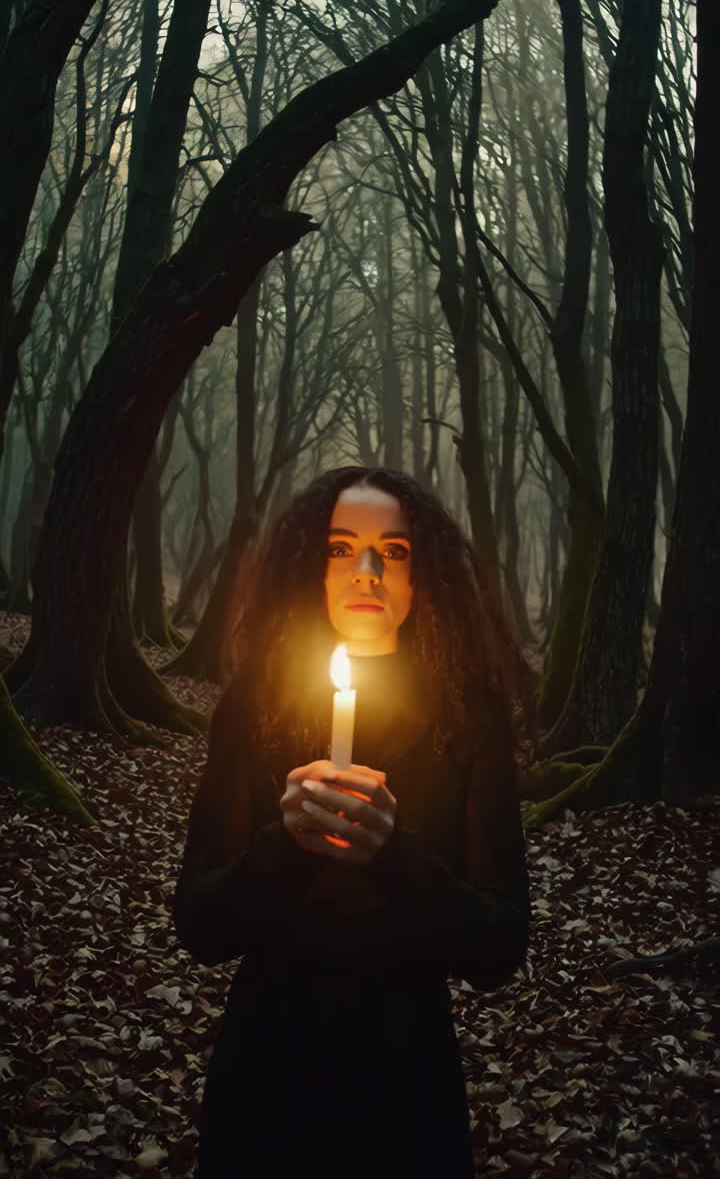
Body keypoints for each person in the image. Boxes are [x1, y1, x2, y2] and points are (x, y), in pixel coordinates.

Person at [172, 466, 533, 1179]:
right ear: (312, 567)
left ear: (419, 576)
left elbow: (500, 945)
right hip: (272, 1071)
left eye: (393, 552)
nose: (367, 570)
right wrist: (288, 846)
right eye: (341, 548)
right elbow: (198, 923)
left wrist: (396, 855)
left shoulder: (468, 720)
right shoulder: (255, 706)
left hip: (404, 1081)